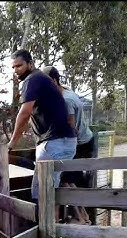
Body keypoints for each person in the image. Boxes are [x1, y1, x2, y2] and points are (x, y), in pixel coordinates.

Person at [7, 49, 77, 220]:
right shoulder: (41, 79)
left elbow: (24, 113)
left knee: (42, 193)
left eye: (20, 65)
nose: (16, 70)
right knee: (51, 190)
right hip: (63, 141)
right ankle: (54, 230)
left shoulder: (32, 80)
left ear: (30, 64)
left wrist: (12, 143)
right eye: (14, 67)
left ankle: (47, 237)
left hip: (54, 143)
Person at [42, 65, 93, 224]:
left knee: (64, 180)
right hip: (85, 140)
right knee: (67, 179)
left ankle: (80, 218)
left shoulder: (65, 100)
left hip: (78, 144)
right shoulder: (67, 92)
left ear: (54, 80)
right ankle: (81, 216)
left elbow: (71, 126)